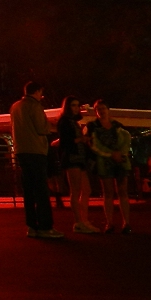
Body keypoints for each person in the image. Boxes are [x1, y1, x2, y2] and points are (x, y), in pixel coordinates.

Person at [11, 82, 61, 239]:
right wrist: (50, 125)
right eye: (41, 92)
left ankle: (32, 226)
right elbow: (42, 128)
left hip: (21, 150)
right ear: (38, 91)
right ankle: (46, 226)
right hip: (36, 150)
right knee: (41, 190)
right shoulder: (35, 106)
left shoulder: (15, 107)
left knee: (29, 190)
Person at [91, 101, 133, 234]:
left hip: (120, 161)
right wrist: (111, 154)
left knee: (123, 192)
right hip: (105, 162)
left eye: (104, 108)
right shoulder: (93, 127)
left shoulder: (118, 126)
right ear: (96, 111)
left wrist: (121, 153)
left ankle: (126, 222)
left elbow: (127, 139)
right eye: (99, 109)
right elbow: (94, 145)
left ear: (108, 110)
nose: (102, 111)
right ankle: (109, 223)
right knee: (108, 193)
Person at [58, 96, 98, 233]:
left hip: (79, 158)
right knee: (76, 191)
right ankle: (79, 221)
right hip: (72, 157)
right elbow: (65, 142)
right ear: (68, 107)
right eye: (73, 105)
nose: (76, 108)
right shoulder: (64, 122)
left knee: (86, 190)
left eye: (77, 105)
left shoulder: (72, 122)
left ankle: (83, 220)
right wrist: (81, 139)